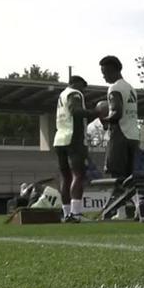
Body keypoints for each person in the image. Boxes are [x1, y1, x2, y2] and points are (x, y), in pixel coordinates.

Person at [99, 55, 144, 222]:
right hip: (133, 135)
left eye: (104, 71)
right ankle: (139, 209)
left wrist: (104, 119)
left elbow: (116, 112)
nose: (103, 75)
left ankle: (120, 211)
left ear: (113, 69)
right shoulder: (130, 88)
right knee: (131, 178)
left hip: (119, 135)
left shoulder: (114, 88)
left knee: (117, 176)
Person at [52, 76, 95, 222]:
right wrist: (95, 112)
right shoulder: (74, 93)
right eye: (83, 86)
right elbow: (75, 111)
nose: (84, 90)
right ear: (77, 84)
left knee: (66, 177)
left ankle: (66, 214)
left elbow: (74, 117)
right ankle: (76, 214)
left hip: (59, 139)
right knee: (78, 175)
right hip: (73, 139)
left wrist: (90, 116)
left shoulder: (61, 95)